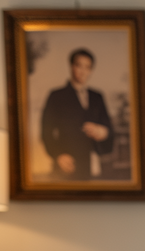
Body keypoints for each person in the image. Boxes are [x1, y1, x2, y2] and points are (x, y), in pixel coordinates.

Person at [41, 48, 115, 180]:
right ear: (71, 66)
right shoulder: (56, 96)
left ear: (91, 70)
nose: (83, 71)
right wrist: (58, 155)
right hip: (68, 164)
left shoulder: (97, 96)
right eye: (78, 65)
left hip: (95, 165)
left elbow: (108, 127)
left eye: (87, 67)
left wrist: (103, 132)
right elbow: (45, 131)